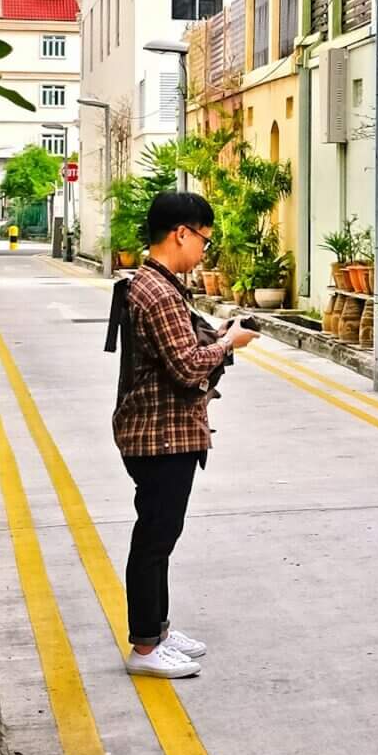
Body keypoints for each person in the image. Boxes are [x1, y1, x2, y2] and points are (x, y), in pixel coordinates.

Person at [106, 188, 256, 679]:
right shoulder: (158, 291)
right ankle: (145, 649)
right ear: (182, 234)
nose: (204, 252)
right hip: (159, 436)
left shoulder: (155, 285)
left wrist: (218, 337)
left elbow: (182, 349)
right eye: (204, 242)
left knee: (160, 537)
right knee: (154, 539)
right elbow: (188, 367)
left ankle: (159, 632)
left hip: (162, 433)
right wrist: (230, 343)